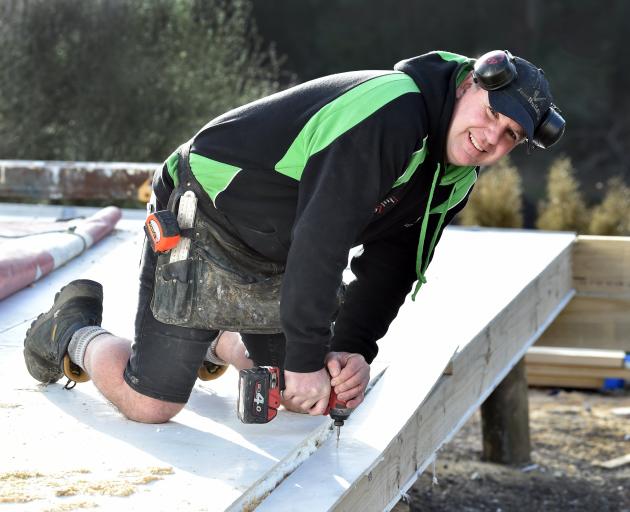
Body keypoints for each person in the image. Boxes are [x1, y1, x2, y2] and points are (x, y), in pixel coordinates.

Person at [23, 50, 564, 424]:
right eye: (491, 114)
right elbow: (323, 238)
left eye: (510, 135)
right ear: (469, 84)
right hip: (207, 212)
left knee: (298, 392)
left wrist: (350, 349)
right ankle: (69, 330)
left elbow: (392, 264)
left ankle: (210, 334)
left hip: (280, 249)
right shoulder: (393, 112)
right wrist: (308, 357)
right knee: (152, 405)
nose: (490, 136)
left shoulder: (454, 174)